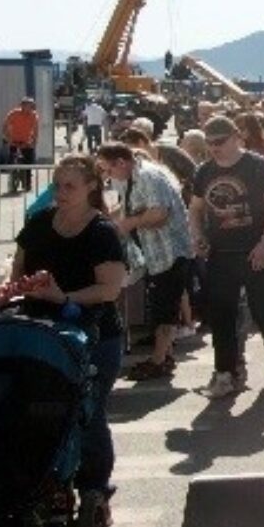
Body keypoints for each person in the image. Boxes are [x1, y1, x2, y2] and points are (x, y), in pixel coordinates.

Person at [11, 155, 128, 525]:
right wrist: (15, 291)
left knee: (87, 412)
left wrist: (65, 298)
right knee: (37, 410)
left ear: (91, 187)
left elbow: (109, 289)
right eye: (57, 184)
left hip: (94, 333)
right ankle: (50, 483)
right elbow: (18, 271)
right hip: (40, 331)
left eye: (69, 186)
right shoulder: (39, 223)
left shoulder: (102, 233)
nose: (60, 193)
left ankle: (95, 488)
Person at [190, 116, 264, 399]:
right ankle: (225, 374)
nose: (214, 148)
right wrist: (198, 236)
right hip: (221, 252)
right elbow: (196, 208)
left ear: (236, 137)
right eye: (209, 143)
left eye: (219, 142)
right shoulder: (204, 171)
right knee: (221, 315)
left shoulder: (257, 166)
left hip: (255, 249)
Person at [97, 143, 195, 384]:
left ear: (121, 162)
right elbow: (126, 207)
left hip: (170, 252)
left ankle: (159, 360)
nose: (107, 176)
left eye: (108, 169)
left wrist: (129, 223)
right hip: (154, 254)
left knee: (165, 308)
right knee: (160, 305)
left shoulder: (149, 176)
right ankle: (165, 356)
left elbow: (160, 213)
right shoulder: (128, 178)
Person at [0, 97, 39, 194]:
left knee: (28, 164)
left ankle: (27, 184)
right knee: (12, 161)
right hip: (14, 142)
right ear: (21, 105)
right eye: (25, 105)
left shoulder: (34, 116)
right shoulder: (14, 113)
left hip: (27, 143)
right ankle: (13, 182)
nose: (28, 108)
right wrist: (7, 138)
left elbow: (35, 131)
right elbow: (5, 126)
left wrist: (34, 142)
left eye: (30, 106)